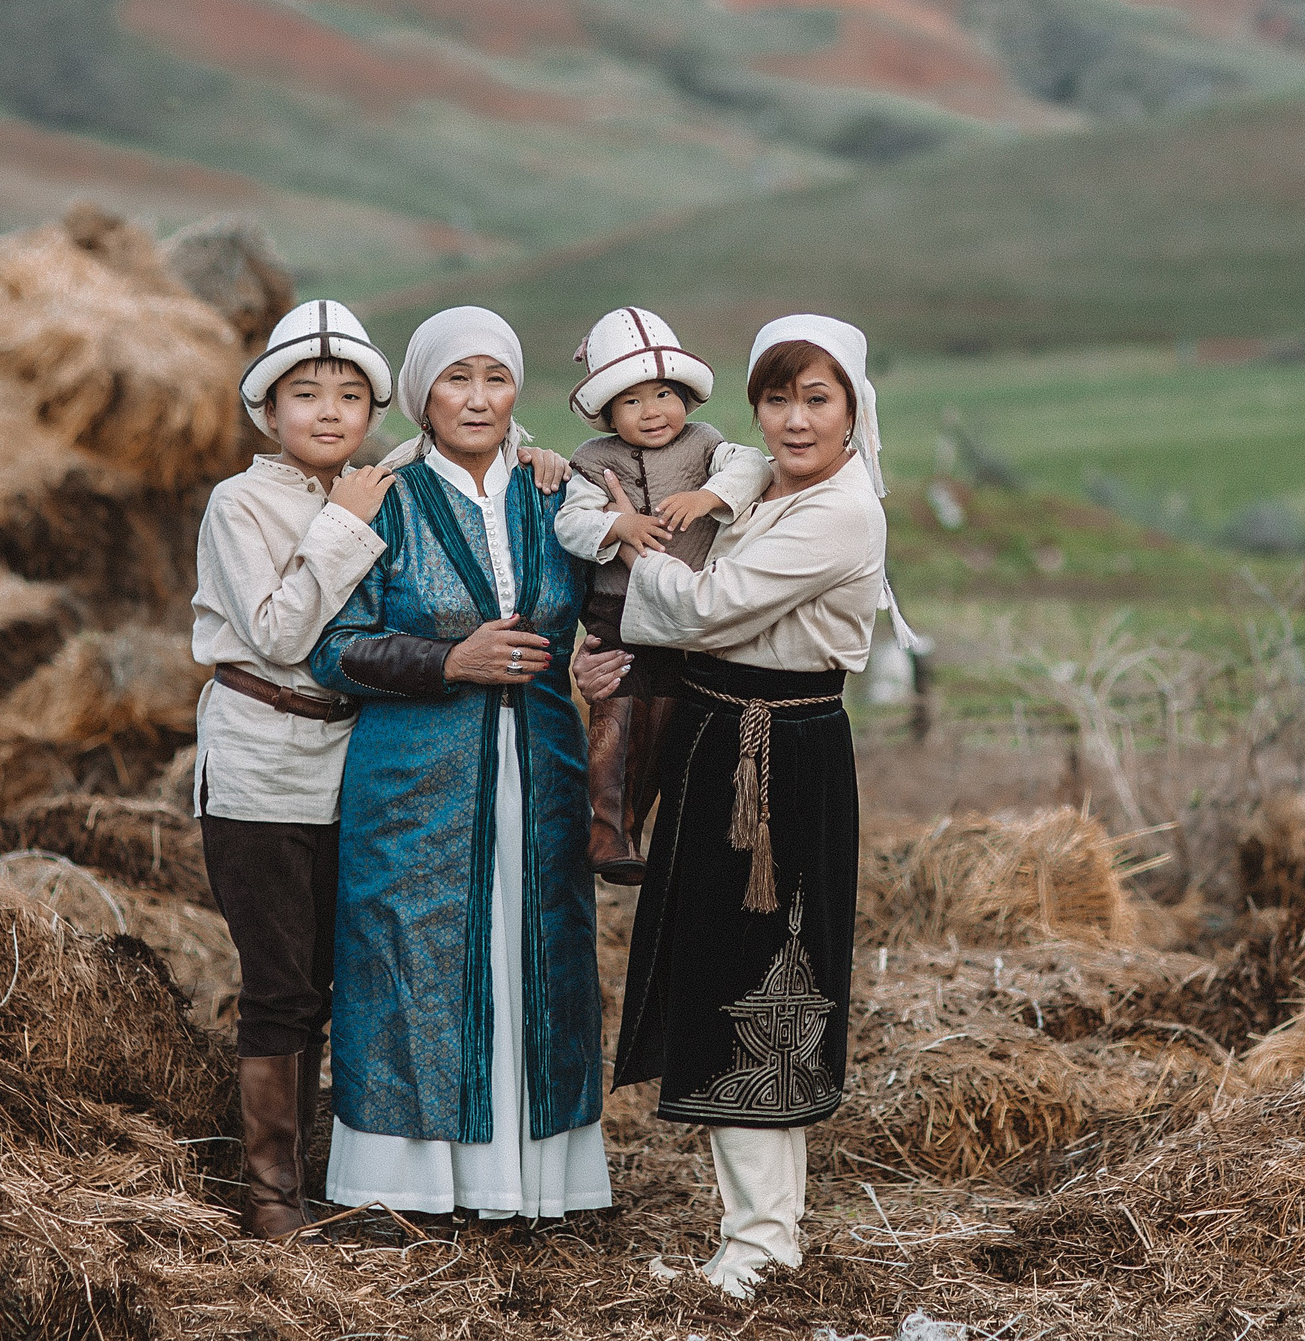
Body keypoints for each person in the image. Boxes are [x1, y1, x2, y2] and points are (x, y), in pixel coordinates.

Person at [592, 313, 913, 1300]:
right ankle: (755, 1232)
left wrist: (617, 536)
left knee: (766, 983)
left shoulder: (843, 515)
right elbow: (731, 464)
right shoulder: (769, 481)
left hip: (776, 760)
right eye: (776, 397)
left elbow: (701, 609)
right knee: (729, 974)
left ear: (855, 406)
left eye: (816, 398)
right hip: (724, 736)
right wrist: (720, 485)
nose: (793, 419)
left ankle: (763, 1246)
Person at [308, 306, 610, 1223]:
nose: (478, 398)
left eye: (497, 378)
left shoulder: (557, 494)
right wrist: (449, 661)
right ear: (421, 395)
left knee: (541, 953)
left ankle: (531, 1184)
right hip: (412, 782)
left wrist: (599, 657)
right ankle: (408, 1187)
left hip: (543, 767)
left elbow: (607, 606)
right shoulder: (383, 501)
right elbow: (334, 648)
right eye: (456, 379)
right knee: (412, 955)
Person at [189, 299, 398, 1240]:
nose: (327, 411)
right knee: (281, 980)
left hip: (348, 758)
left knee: (339, 976)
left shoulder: (371, 487)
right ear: (268, 412)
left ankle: (334, 1178)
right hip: (262, 760)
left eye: (349, 395)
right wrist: (345, 527)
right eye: (304, 393)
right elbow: (277, 633)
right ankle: (271, 1193)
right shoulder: (242, 501)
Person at [551, 306, 772, 883]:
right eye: (631, 401)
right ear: (606, 413)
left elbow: (752, 467)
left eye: (663, 394)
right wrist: (616, 526)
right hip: (618, 616)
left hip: (682, 619)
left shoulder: (706, 446)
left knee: (670, 722)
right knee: (617, 717)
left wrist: (708, 498)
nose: (651, 412)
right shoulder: (592, 461)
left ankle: (643, 829)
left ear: (687, 397)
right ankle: (608, 831)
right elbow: (570, 523)